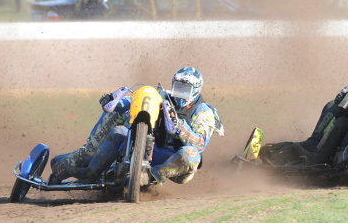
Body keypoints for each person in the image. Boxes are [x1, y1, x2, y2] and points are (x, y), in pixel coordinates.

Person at [53, 67, 223, 186]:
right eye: (178, 87)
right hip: (152, 148)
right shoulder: (164, 96)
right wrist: (117, 103)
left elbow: (200, 144)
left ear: (196, 91)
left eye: (186, 89)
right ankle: (91, 171)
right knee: (119, 132)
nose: (180, 93)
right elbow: (140, 103)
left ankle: (151, 176)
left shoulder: (204, 112)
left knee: (192, 155)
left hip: (174, 161)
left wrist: (181, 128)